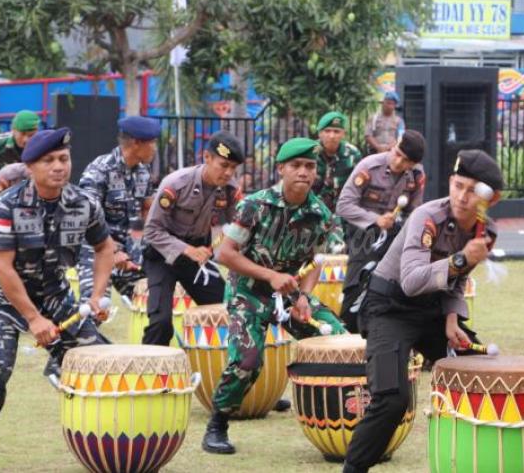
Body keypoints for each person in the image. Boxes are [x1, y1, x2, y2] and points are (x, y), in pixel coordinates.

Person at [0, 128, 115, 473]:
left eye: (64, 159)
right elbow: (1, 266)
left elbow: (104, 248)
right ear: (29, 166)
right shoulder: (7, 205)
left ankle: (107, 442)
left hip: (53, 293)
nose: (58, 166)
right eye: (48, 161)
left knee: (99, 358)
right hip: (1, 296)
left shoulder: (83, 203)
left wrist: (98, 296)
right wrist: (33, 319)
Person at [342, 149, 503, 473]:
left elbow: (455, 284)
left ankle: (471, 462)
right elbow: (413, 280)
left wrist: (451, 319)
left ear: (491, 198)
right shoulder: (426, 217)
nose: (461, 196)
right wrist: (461, 260)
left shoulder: (484, 232)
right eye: (457, 185)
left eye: (472, 191)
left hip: (432, 312)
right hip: (389, 308)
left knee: (481, 371)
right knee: (391, 399)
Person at [202, 137, 348, 455]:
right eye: (296, 166)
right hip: (248, 291)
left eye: (310, 166)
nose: (303, 172)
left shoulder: (320, 214)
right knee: (248, 360)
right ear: (281, 168)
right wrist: (270, 276)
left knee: (338, 337)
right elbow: (225, 254)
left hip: (291, 294)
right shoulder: (255, 205)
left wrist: (305, 297)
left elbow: (315, 262)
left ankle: (338, 420)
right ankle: (218, 423)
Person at [141, 131, 244, 347]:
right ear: (206, 157)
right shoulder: (176, 184)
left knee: (228, 311)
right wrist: (187, 250)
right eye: (223, 165)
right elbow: (151, 231)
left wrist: (221, 244)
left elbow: (234, 227)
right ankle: (152, 377)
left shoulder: (231, 191)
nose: (228, 173)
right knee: (161, 323)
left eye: (233, 168)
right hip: (162, 256)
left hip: (198, 257)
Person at [335, 130, 426, 332]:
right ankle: (348, 333)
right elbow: (343, 205)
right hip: (363, 232)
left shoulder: (417, 176)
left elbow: (415, 214)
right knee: (359, 282)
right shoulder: (369, 166)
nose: (398, 161)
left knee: (401, 283)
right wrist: (376, 220)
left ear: (412, 164)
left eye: (405, 161)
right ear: (394, 145)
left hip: (395, 232)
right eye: (397, 153)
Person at [76, 116, 158, 304]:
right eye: (152, 142)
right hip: (96, 249)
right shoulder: (100, 170)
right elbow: (87, 218)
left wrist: (142, 246)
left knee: (155, 301)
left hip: (130, 252)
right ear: (136, 143)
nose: (155, 148)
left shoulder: (143, 172)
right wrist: (112, 252)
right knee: (96, 308)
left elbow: (147, 210)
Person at [313, 111, 362, 212]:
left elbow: (358, 188)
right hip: (312, 209)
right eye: (327, 131)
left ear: (343, 134)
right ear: (319, 133)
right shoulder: (310, 152)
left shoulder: (353, 154)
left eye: (336, 131)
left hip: (343, 209)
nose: (332, 136)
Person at [0, 109, 39, 187]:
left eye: (31, 135)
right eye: (22, 134)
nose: (26, 139)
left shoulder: (43, 145)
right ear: (13, 129)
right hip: (4, 190)